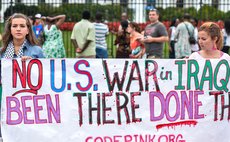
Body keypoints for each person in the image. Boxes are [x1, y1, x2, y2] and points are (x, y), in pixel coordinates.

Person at [0, 13, 45, 141]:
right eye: (14, 26)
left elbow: (45, 78)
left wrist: (32, 66)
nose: (18, 29)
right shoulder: (2, 53)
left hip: (30, 103)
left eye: (22, 26)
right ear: (10, 29)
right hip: (7, 102)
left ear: (27, 30)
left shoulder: (36, 51)